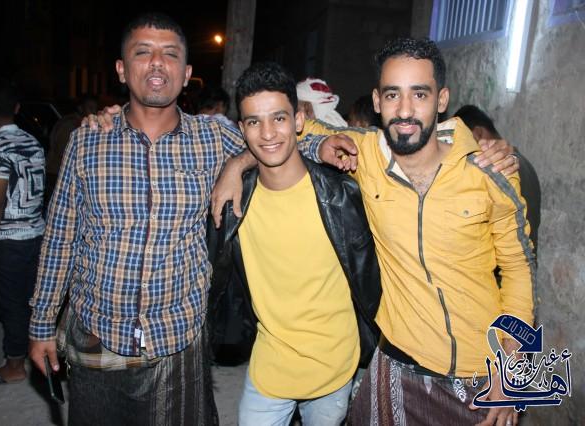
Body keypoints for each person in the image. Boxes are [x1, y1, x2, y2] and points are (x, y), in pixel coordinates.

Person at [29, 12, 331, 425]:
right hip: (98, 335)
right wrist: (41, 324)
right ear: (122, 69)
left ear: (186, 74)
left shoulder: (212, 137)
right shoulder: (87, 141)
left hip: (177, 340)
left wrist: (253, 158)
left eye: (170, 54)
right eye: (143, 52)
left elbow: (277, 141)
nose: (157, 62)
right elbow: (60, 238)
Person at [211, 37, 530, 426]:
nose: (405, 110)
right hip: (394, 366)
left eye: (420, 94)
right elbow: (278, 133)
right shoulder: (364, 155)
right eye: (393, 95)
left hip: (480, 375)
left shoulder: (489, 171)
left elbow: (519, 270)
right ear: (378, 101)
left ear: (442, 99)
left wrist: (514, 371)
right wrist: (237, 164)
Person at [207, 61, 381, 425]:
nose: (268, 133)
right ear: (242, 129)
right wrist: (235, 166)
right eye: (254, 122)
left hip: (335, 367)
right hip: (270, 368)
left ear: (299, 120)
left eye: (279, 118)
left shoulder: (342, 195)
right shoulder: (235, 201)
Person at [0, 78, 45, 388]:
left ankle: (15, 365)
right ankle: (39, 350)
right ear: (16, 108)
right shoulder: (33, 142)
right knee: (33, 300)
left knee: (12, 305)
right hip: (37, 235)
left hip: (10, 241)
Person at [454, 104, 541, 254]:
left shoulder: (498, 167)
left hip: (504, 264)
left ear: (477, 133)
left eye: (462, 140)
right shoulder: (523, 163)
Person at [45, 94, 98, 203]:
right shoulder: (70, 125)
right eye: (90, 108)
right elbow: (64, 153)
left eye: (95, 108)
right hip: (56, 175)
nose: (94, 111)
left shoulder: (84, 124)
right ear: (80, 108)